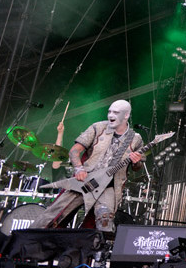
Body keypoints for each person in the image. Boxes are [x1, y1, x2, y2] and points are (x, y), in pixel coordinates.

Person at [32, 100, 144, 233]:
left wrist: (136, 162)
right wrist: (79, 169)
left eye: (115, 112)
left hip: (109, 187)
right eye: (109, 111)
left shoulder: (135, 139)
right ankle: (28, 240)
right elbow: (74, 151)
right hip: (85, 180)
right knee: (53, 215)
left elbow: (137, 167)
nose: (111, 115)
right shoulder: (98, 128)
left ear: (126, 115)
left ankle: (92, 246)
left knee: (104, 222)